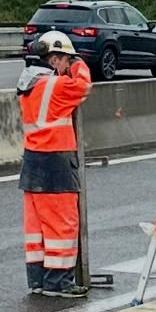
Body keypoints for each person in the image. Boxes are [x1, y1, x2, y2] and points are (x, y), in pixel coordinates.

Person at [17, 30, 93, 297]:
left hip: (32, 161)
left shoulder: (26, 86)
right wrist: (76, 62)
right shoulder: (56, 86)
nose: (64, 66)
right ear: (53, 60)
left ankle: (38, 280)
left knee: (36, 228)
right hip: (56, 162)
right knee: (62, 224)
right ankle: (59, 282)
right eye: (62, 60)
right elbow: (84, 84)